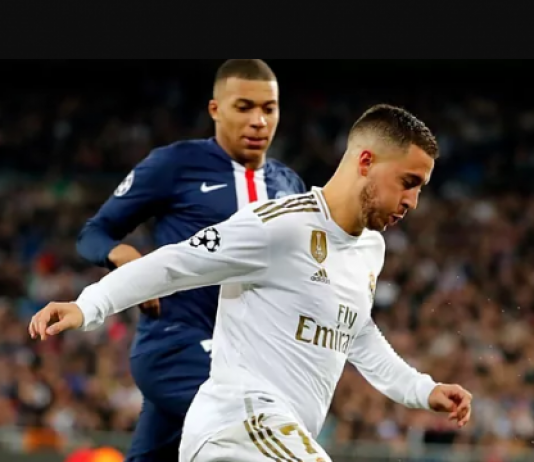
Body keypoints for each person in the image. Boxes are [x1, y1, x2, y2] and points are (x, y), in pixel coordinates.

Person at [30, 104, 473, 462]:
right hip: (236, 427)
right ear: (365, 161)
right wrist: (89, 305)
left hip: (274, 440)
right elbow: (176, 263)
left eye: (420, 188)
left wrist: (422, 389)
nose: (414, 201)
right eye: (408, 182)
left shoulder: (370, 249)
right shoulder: (279, 226)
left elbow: (355, 332)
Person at [74, 59, 306, 462]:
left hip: (251, 359)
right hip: (178, 344)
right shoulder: (175, 165)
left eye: (268, 109)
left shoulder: (289, 185)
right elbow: (94, 233)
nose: (258, 121)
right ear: (215, 109)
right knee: (258, 438)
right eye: (244, 107)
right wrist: (123, 257)